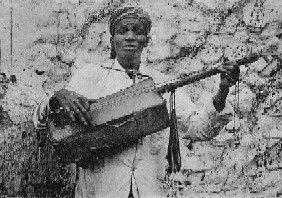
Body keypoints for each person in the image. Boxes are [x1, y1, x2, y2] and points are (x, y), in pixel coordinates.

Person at [33, 6, 238, 198]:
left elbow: (198, 129)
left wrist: (222, 91)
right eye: (123, 31)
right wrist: (57, 98)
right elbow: (41, 123)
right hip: (101, 191)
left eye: (137, 31)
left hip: (148, 190)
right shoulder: (90, 77)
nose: (130, 37)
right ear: (112, 40)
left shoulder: (162, 83)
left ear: (146, 40)